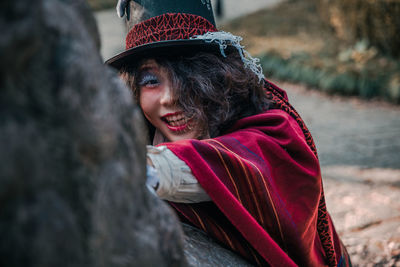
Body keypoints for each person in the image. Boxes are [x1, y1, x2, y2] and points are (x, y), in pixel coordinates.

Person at [107, 0, 351, 266]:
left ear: (216, 75)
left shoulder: (275, 128)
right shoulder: (138, 128)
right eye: (150, 80)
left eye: (187, 75)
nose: (170, 98)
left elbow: (242, 163)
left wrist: (139, 168)